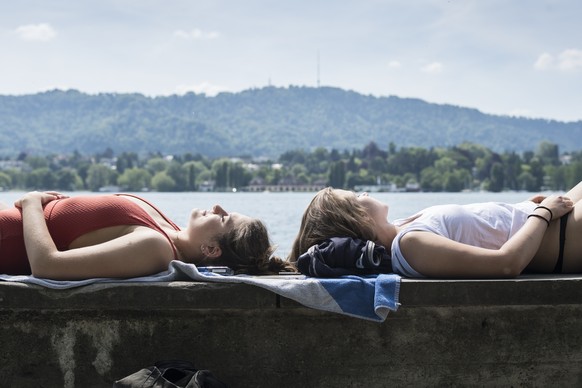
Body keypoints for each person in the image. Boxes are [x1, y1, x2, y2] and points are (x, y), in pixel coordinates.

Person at [289, 181, 581, 278]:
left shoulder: (403, 228)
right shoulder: (410, 245)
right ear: (360, 220)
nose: (364, 193)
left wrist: (522, 207)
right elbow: (506, 264)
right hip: (565, 235)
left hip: (558, 221)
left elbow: (479, 229)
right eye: (356, 197)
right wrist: (542, 214)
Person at [1, 191, 294, 280]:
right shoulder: (168, 228)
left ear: (212, 250)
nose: (217, 206)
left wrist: (31, 204)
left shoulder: (156, 248)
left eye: (224, 218)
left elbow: (47, 265)